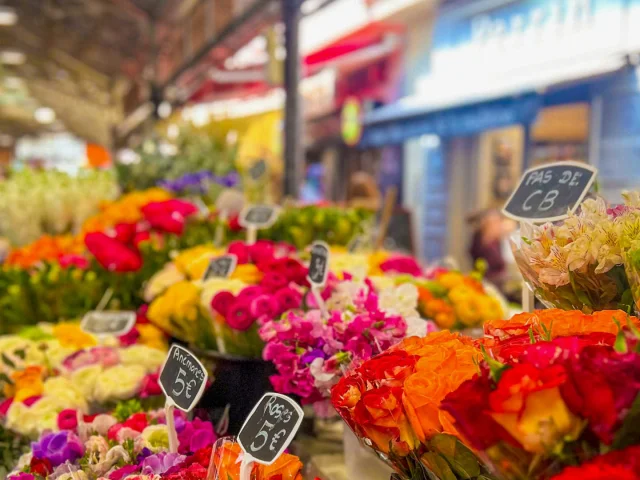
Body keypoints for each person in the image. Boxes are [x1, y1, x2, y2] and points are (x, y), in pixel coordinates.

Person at [468, 209, 509, 289]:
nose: (500, 226)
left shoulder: (497, 241)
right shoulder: (481, 240)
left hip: (498, 282)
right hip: (486, 283)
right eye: (496, 223)